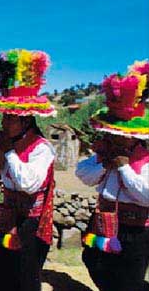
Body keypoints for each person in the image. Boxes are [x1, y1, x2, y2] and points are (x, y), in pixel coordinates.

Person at [0, 49, 57, 291]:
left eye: (10, 119)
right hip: (6, 216)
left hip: (29, 223)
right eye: (4, 118)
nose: (4, 123)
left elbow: (28, 183)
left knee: (25, 275)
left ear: (26, 121)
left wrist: (9, 152)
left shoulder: (41, 148)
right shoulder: (7, 143)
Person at [75, 60, 149, 291]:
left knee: (128, 280)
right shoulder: (105, 152)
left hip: (134, 230)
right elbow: (83, 174)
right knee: (93, 261)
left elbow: (147, 195)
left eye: (118, 135)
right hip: (103, 223)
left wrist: (125, 168)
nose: (113, 138)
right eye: (111, 134)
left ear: (134, 136)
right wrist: (106, 163)